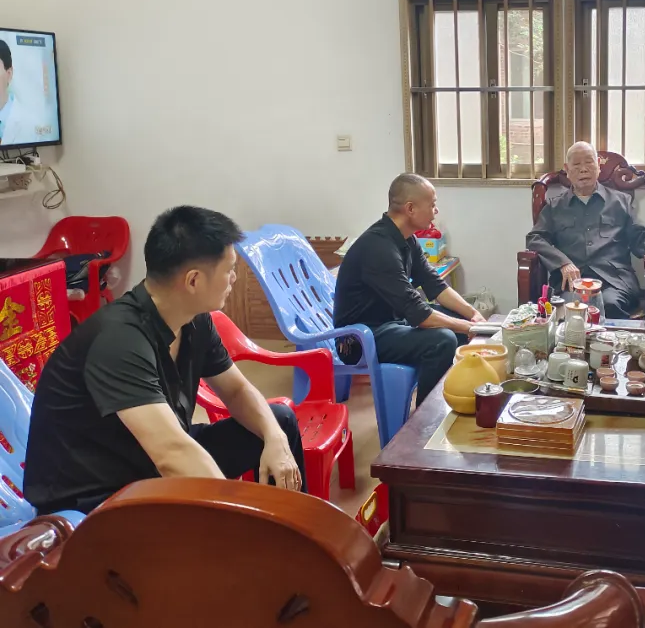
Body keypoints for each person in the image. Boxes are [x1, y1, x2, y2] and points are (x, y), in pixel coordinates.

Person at [24, 206, 306, 516]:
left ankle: (295, 528)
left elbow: (236, 391)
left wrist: (275, 438)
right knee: (219, 513)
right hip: (95, 496)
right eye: (229, 270)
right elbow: (171, 454)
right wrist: (237, 515)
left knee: (278, 422)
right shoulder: (119, 340)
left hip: (146, 463)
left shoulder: (195, 320)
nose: (234, 279)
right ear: (193, 281)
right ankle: (264, 537)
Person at [334, 173, 486, 404]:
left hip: (392, 323)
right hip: (359, 338)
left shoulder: (406, 239)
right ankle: (425, 417)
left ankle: (453, 399)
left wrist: (473, 315)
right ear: (410, 209)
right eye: (432, 205)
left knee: (458, 322)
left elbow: (435, 284)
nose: (436, 211)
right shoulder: (378, 248)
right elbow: (419, 314)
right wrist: (469, 327)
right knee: (443, 340)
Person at [525, 141, 645, 319]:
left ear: (598, 165)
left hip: (614, 280)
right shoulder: (554, 207)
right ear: (567, 169)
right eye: (576, 164)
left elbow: (638, 235)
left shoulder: (620, 201)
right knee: (573, 309)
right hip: (572, 284)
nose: (583, 169)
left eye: (589, 162)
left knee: (608, 305)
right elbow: (535, 239)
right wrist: (562, 263)